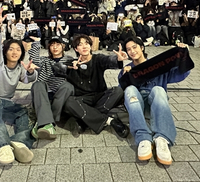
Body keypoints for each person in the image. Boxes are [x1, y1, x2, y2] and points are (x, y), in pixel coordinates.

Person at [0, 9, 39, 165]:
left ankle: (20, 141)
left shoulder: (19, 68)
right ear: (5, 52)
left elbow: (30, 78)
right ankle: (2, 145)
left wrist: (30, 71)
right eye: (11, 49)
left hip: (4, 104)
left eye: (18, 49)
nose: (15, 52)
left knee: (27, 112)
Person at [118, 37, 188, 165]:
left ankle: (162, 139)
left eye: (134, 47)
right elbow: (121, 92)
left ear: (142, 47)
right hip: (137, 108)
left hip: (156, 106)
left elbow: (179, 74)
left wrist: (183, 55)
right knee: (130, 90)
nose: (132, 51)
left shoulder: (157, 65)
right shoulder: (128, 69)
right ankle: (143, 138)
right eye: (129, 49)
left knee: (159, 90)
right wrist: (125, 76)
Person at [54, 34, 129, 138]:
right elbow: (57, 68)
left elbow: (108, 60)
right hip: (82, 99)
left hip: (100, 96)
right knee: (68, 102)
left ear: (90, 46)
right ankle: (109, 121)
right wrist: (68, 67)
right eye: (80, 45)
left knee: (118, 91)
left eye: (86, 43)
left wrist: (118, 59)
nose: (84, 46)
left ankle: (84, 120)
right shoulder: (72, 63)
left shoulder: (98, 59)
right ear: (76, 49)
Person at [27, 36, 75, 140]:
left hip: (60, 97)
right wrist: (37, 43)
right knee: (37, 84)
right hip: (44, 96)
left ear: (63, 46)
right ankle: (48, 124)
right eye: (52, 45)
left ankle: (43, 121)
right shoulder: (44, 60)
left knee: (68, 86)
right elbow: (34, 60)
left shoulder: (69, 60)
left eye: (57, 44)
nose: (55, 47)